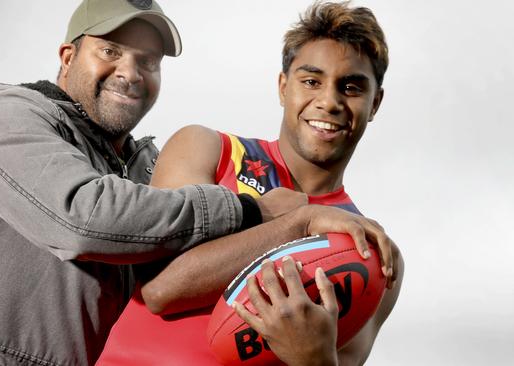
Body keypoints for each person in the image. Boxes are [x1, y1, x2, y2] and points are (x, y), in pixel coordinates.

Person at [0, 1, 385, 365]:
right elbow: (93, 222)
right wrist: (269, 216)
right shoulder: (5, 117)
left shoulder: (138, 167)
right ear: (68, 55)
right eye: (110, 50)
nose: (130, 73)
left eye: (148, 61)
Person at [97, 2, 404, 365]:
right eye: (311, 81)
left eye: (351, 87)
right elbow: (162, 288)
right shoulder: (208, 149)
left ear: (375, 104)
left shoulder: (371, 252)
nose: (329, 101)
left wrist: (315, 359)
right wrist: (297, 223)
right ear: (283, 87)